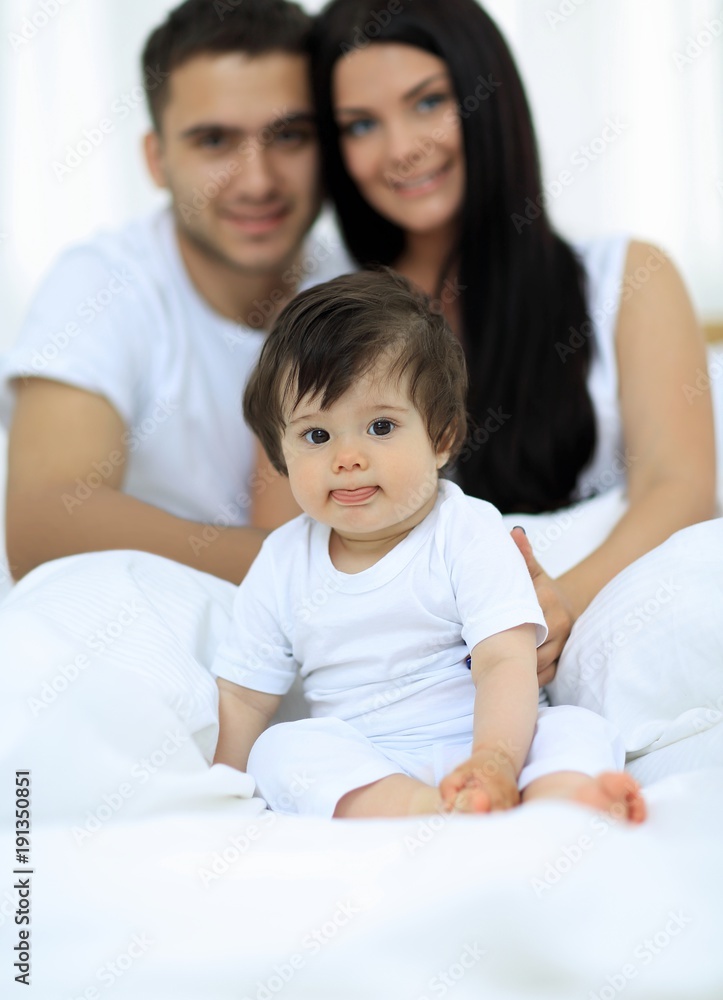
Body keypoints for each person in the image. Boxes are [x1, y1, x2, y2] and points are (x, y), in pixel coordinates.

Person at [306, 0, 716, 682]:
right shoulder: (329, 322)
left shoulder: (629, 277)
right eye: (361, 124)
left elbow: (678, 487)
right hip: (429, 664)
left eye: (428, 101)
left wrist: (543, 610)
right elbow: (297, 537)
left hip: (589, 617)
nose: (401, 147)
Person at [212, 270, 646, 822]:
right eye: (316, 436)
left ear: (441, 438)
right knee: (280, 752)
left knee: (574, 727)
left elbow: (503, 661)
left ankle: (561, 796)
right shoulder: (282, 561)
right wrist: (218, 789)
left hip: (490, 737)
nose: (347, 457)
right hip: (372, 759)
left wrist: (493, 759)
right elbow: (245, 694)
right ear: (281, 455)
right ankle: (425, 808)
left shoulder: (465, 530)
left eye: (380, 427)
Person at [0, 0, 353, 585]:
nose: (258, 180)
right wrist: (314, 573)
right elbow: (42, 526)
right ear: (156, 159)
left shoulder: (355, 287)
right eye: (215, 141)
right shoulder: (104, 281)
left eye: (289, 135)